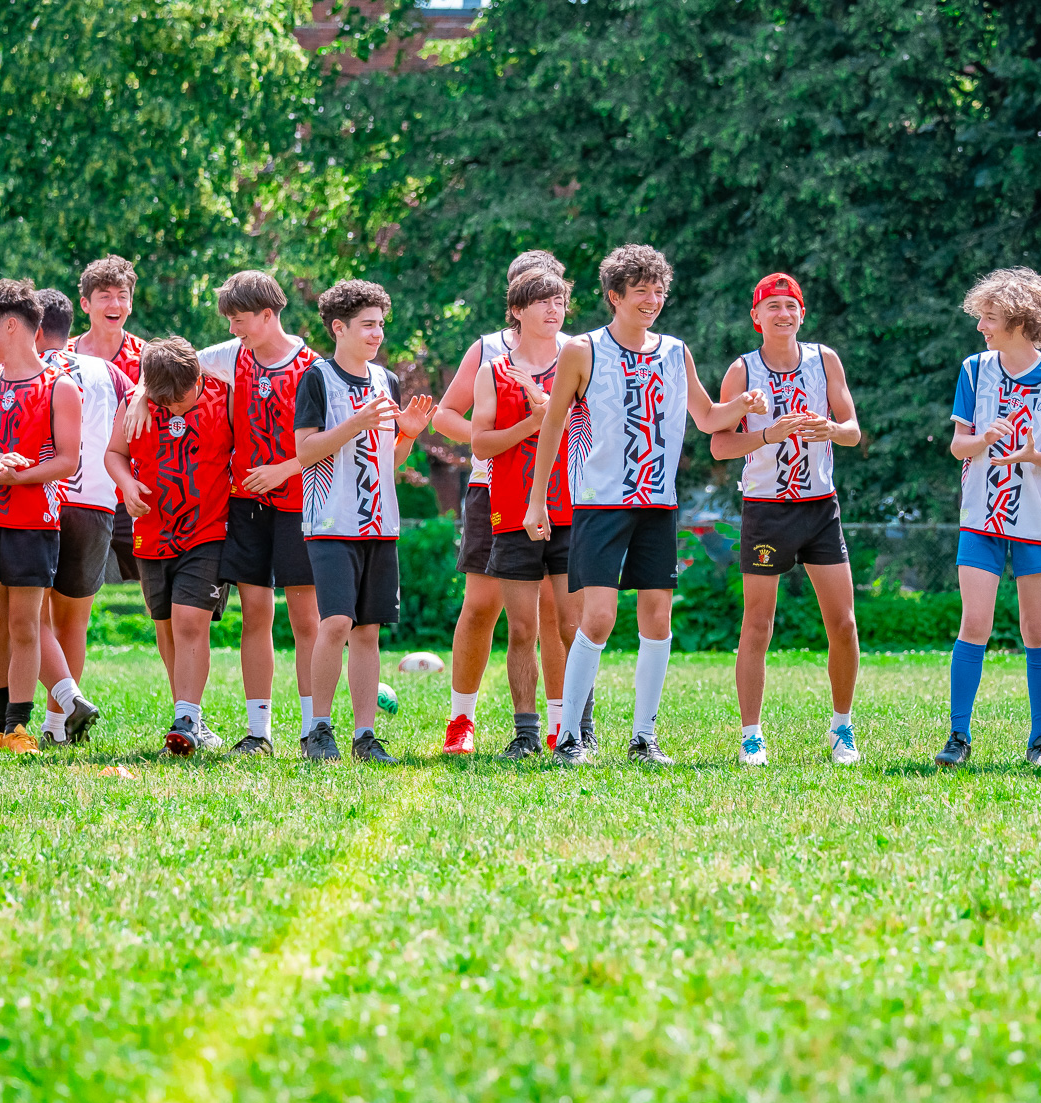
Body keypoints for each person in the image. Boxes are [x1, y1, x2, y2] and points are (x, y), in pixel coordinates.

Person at [522, 243, 766, 766]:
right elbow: (552, 426)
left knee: (657, 619)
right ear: (614, 296)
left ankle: (643, 739)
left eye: (659, 291)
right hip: (600, 505)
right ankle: (570, 739)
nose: (653, 300)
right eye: (641, 292)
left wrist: (741, 407)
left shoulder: (676, 351)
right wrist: (538, 500)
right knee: (599, 618)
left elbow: (706, 417)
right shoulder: (582, 351)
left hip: (658, 503)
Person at [434, 249, 583, 754]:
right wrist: (500, 436)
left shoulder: (577, 352)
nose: (546, 303)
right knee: (483, 606)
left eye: (553, 293)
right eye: (528, 290)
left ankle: (564, 726)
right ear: (514, 301)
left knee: (557, 617)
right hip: (493, 488)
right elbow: (447, 416)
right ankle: (463, 719)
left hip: (563, 496)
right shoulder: (488, 353)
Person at [710, 273, 862, 766]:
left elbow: (854, 432)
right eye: (772, 305)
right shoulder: (742, 371)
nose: (782, 313)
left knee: (843, 623)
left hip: (820, 506)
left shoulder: (825, 360)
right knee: (758, 624)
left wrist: (831, 428)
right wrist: (768, 434)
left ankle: (842, 729)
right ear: (756, 317)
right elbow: (719, 444)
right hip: (766, 510)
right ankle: (751, 736)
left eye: (790, 305)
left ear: (802, 314)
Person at [934, 267, 1041, 769]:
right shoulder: (975, 370)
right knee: (974, 622)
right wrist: (986, 440)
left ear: (1018, 321)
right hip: (980, 518)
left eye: (989, 318)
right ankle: (958, 736)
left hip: (1037, 522)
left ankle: (1040, 742)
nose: (981, 327)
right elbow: (958, 446)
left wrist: (1035, 456)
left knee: (1037, 629)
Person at [294, 280, 435, 762]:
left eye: (380, 325)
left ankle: (365, 736)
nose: (377, 334)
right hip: (329, 522)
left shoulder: (387, 381)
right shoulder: (317, 378)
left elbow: (387, 462)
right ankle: (318, 729)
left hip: (379, 523)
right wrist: (354, 423)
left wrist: (410, 436)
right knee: (335, 622)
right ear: (339, 328)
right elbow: (305, 451)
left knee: (368, 631)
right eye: (367, 325)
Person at [198, 270, 321, 755]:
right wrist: (146, 395)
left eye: (241, 320)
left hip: (300, 503)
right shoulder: (231, 357)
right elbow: (173, 366)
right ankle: (258, 732)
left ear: (269, 316)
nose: (234, 329)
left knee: (306, 619)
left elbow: (327, 443)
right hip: (246, 505)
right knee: (255, 614)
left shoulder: (312, 367)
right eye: (230, 320)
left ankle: (317, 728)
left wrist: (282, 470)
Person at [0, 280, 83, 756]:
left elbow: (67, 462)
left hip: (33, 521)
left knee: (25, 625)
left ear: (11, 326)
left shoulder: (60, 387)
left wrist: (21, 475)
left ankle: (20, 728)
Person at [106, 337, 235, 756]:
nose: (175, 407)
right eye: (165, 401)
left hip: (209, 530)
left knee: (189, 623)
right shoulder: (138, 400)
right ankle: (191, 716)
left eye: (182, 398)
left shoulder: (224, 394)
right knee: (166, 628)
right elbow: (114, 454)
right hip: (152, 533)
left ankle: (184, 720)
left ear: (199, 378)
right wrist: (127, 485)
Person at [35, 287, 129, 745]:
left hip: (40, 500)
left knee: (26, 616)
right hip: (95, 503)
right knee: (73, 620)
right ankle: (56, 727)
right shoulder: (109, 371)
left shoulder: (25, 370)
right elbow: (135, 420)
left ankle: (15, 718)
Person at [66, 255, 145, 583]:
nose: (115, 304)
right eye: (105, 296)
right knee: (66, 597)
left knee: (153, 591)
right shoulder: (63, 357)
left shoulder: (147, 358)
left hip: (130, 494)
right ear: (85, 303)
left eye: (122, 295)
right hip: (74, 495)